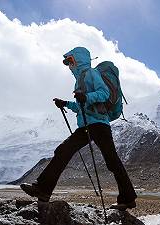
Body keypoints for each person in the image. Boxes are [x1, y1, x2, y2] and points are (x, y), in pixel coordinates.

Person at [20, 47, 137, 210]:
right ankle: (43, 190)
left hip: (99, 124)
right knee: (63, 150)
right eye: (67, 62)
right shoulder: (79, 79)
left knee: (112, 161)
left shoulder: (90, 73)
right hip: (86, 125)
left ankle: (128, 198)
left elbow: (104, 94)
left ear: (78, 60)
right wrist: (66, 104)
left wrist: (86, 96)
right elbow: (82, 106)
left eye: (70, 61)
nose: (68, 65)